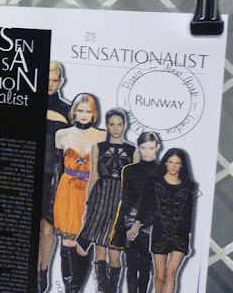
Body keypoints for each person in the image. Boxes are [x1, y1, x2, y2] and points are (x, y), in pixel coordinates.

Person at [76, 108, 138, 293]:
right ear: (107, 126)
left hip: (120, 202)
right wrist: (88, 206)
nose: (116, 128)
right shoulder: (98, 147)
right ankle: (102, 290)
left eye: (119, 124)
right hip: (100, 198)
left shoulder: (133, 151)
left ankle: (112, 290)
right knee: (100, 249)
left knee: (115, 254)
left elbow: (135, 184)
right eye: (112, 124)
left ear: (125, 125)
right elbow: (93, 176)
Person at [53, 93, 106, 293]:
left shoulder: (102, 136)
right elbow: (57, 169)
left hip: (91, 193)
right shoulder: (62, 134)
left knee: (84, 242)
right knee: (67, 241)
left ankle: (76, 288)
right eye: (80, 110)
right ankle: (70, 289)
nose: (84, 114)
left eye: (88, 111)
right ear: (73, 112)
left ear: (94, 114)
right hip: (67, 192)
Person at [128, 149, 194, 293]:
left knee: (171, 274)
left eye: (177, 163)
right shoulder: (154, 182)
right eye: (171, 162)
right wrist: (136, 225)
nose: (173, 166)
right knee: (160, 275)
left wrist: (188, 239)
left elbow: (188, 214)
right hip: (160, 232)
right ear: (165, 163)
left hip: (180, 235)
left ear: (182, 165)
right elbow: (144, 205)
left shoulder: (188, 186)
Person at [110, 132, 161, 293]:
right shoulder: (129, 170)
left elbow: (157, 203)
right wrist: (119, 227)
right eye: (144, 148)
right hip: (129, 222)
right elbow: (125, 200)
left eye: (151, 148)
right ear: (138, 148)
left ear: (157, 148)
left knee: (145, 266)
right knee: (131, 265)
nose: (147, 152)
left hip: (151, 225)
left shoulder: (161, 172)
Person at [37, 62, 71, 293]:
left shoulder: (69, 110)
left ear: (61, 82)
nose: (50, 84)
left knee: (48, 228)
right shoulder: (25, 103)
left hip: (56, 176)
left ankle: (43, 273)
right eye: (47, 79)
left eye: (54, 80)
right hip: (28, 172)